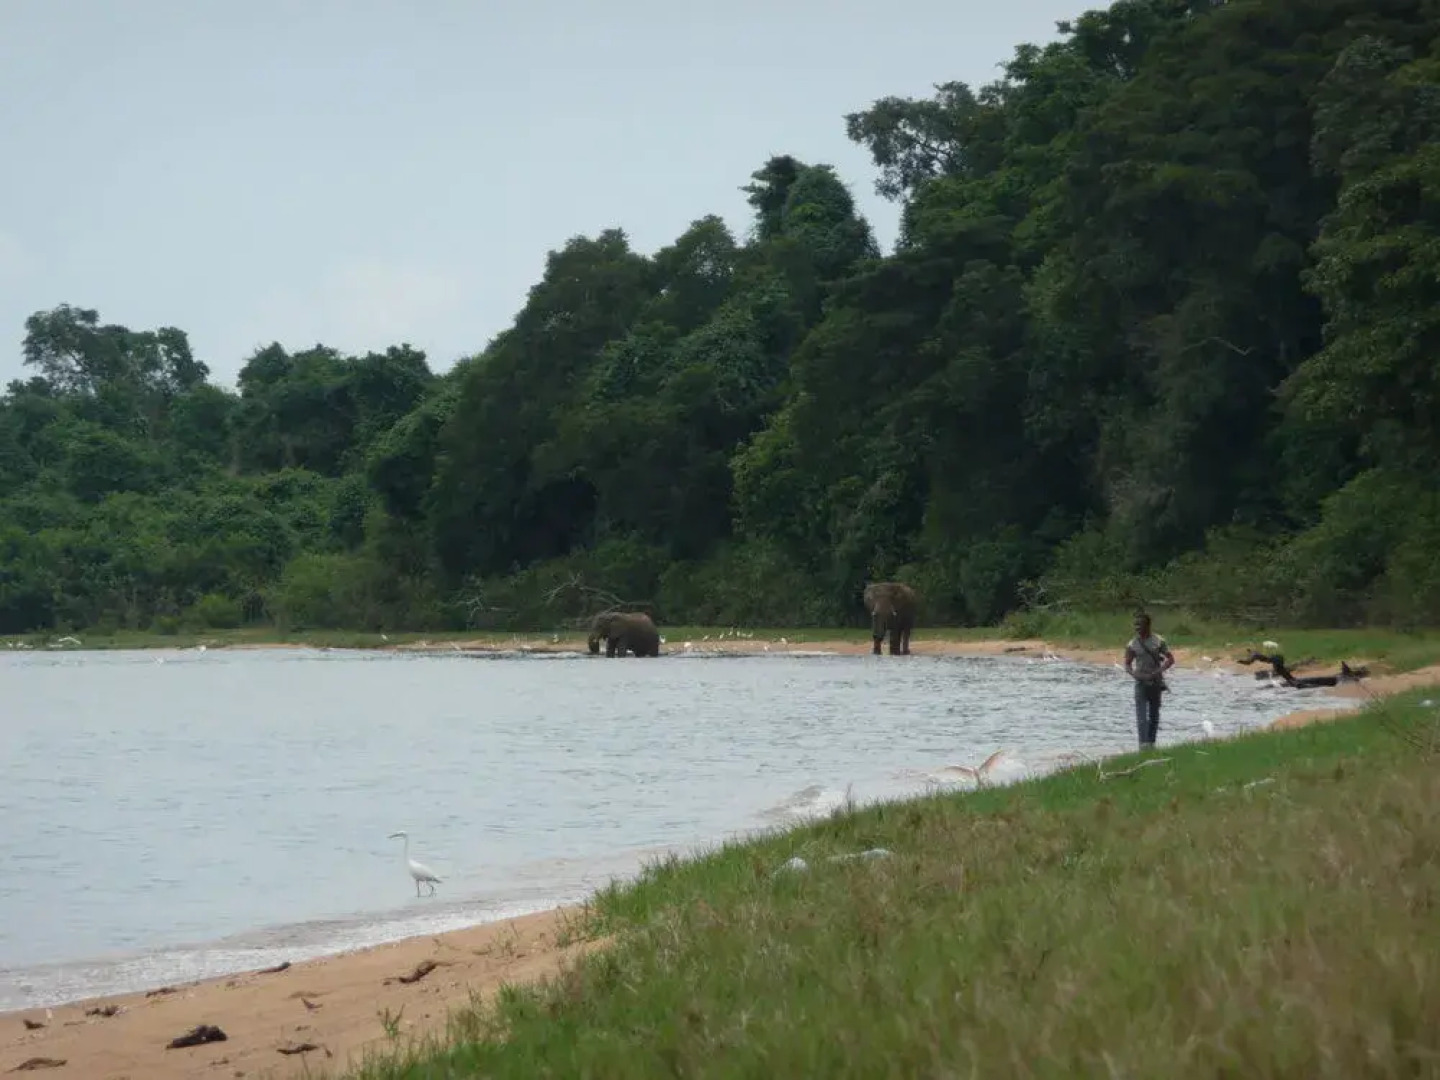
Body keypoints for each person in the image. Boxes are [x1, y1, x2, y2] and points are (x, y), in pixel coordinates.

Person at [1124, 611, 1175, 749]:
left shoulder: (1158, 641)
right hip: (1140, 682)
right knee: (1141, 716)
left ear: (1148, 625)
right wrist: (1134, 674)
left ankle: (1151, 743)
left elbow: (1170, 659)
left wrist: (1158, 672)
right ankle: (1143, 745)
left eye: (1139, 624)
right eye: (1135, 625)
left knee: (1154, 715)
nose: (1137, 628)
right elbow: (1127, 664)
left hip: (1155, 682)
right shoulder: (1132, 644)